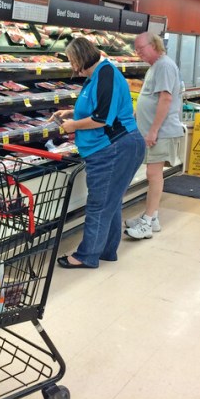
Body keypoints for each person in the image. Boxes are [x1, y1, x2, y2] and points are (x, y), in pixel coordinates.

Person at [51, 37, 145, 269]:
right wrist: (70, 113)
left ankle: (87, 255)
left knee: (99, 204)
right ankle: (106, 250)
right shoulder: (96, 76)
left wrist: (73, 126)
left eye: (73, 61)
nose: (73, 67)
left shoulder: (106, 74)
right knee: (110, 201)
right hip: (110, 148)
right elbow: (97, 107)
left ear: (81, 57)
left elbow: (102, 118)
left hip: (114, 148)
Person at [124, 32, 185, 240]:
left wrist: (153, 130)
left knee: (153, 174)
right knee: (153, 174)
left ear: (154, 45)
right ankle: (153, 217)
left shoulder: (164, 66)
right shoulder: (155, 66)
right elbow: (151, 97)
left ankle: (147, 223)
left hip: (161, 131)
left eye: (141, 48)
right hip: (154, 130)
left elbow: (165, 99)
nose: (138, 52)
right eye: (136, 49)